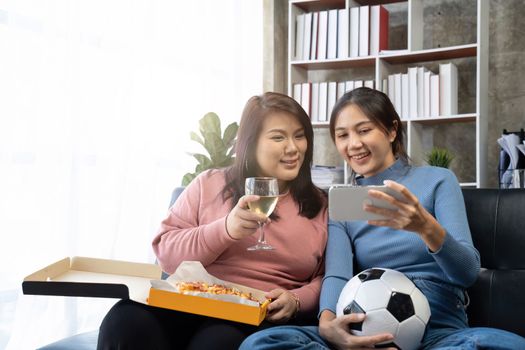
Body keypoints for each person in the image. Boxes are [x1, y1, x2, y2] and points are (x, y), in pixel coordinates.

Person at [240, 87, 525, 350]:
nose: (354, 144)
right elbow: (337, 274)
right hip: (365, 324)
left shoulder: (437, 181)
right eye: (342, 135)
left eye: (364, 130)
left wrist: (425, 227)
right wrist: (329, 327)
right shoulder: (346, 199)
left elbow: (467, 273)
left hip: (437, 329)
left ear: (391, 131)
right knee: (263, 343)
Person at [96, 92, 328, 350]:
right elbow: (166, 253)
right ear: (250, 144)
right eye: (278, 137)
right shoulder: (209, 183)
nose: (293, 148)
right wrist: (225, 230)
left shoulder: (320, 205)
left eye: (299, 135)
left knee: (216, 342)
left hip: (254, 315)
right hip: (189, 299)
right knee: (124, 321)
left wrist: (296, 300)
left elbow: (326, 277)